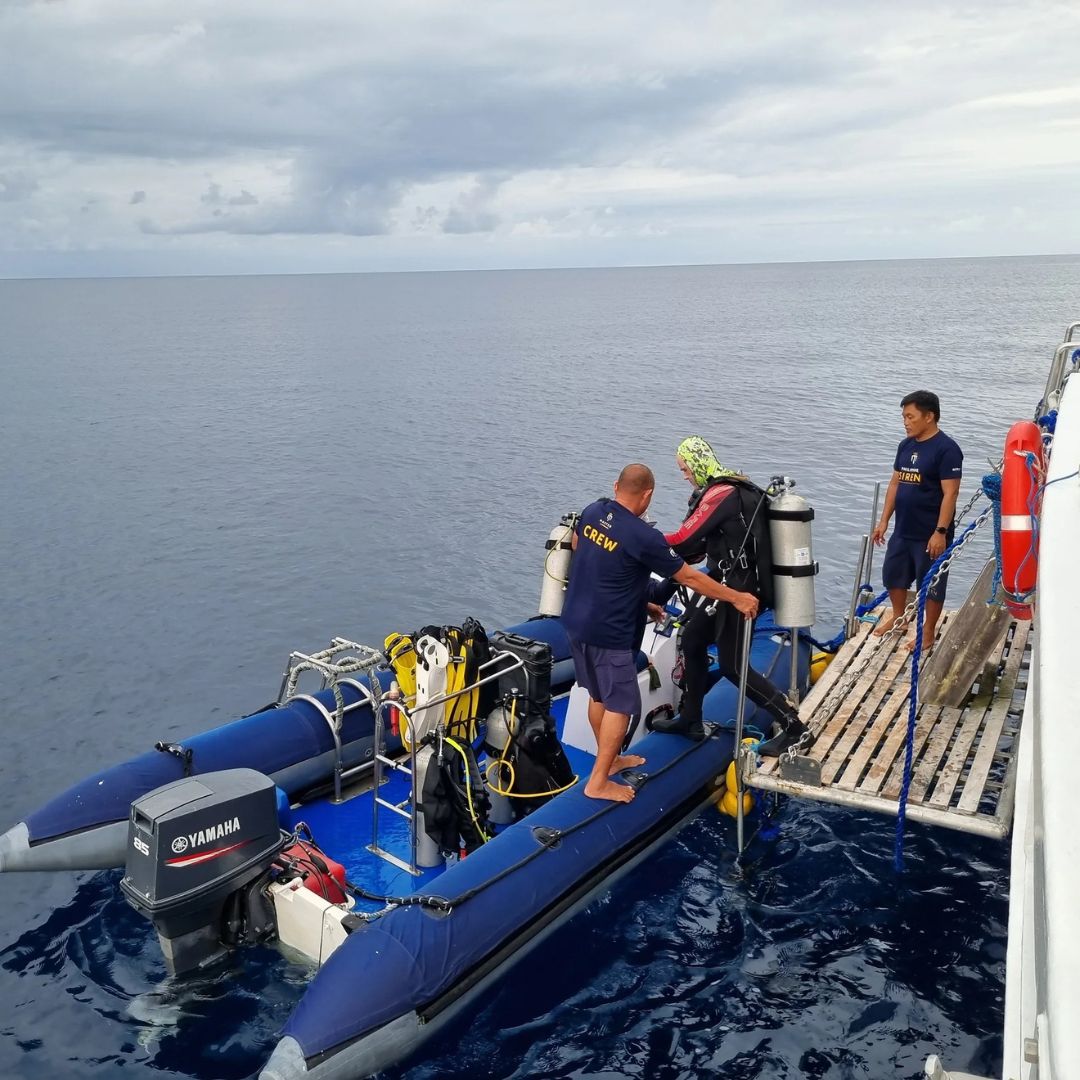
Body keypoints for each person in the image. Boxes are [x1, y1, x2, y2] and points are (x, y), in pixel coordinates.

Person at [561, 463, 759, 803]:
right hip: (610, 634)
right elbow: (690, 578)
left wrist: (640, 601)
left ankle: (608, 762)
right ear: (648, 495)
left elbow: (585, 549)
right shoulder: (643, 537)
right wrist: (736, 597)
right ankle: (597, 782)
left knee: (597, 697)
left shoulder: (593, 511)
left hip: (576, 621)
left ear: (616, 485)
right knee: (621, 705)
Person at [650, 435, 813, 756]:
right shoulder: (726, 488)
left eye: (684, 468)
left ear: (697, 462)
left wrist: (639, 536)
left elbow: (683, 539)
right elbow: (698, 547)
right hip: (725, 584)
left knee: (733, 667)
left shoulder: (720, 493)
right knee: (694, 641)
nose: (684, 475)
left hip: (739, 590)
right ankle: (691, 719)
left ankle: (796, 729)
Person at [871, 390, 963, 653]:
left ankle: (928, 633)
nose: (906, 422)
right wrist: (884, 521)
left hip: (930, 532)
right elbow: (895, 483)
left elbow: (951, 493)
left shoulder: (947, 449)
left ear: (929, 416)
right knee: (893, 575)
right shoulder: (906, 445)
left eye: (910, 416)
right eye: (904, 417)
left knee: (931, 584)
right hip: (903, 529)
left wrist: (940, 531)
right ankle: (900, 619)